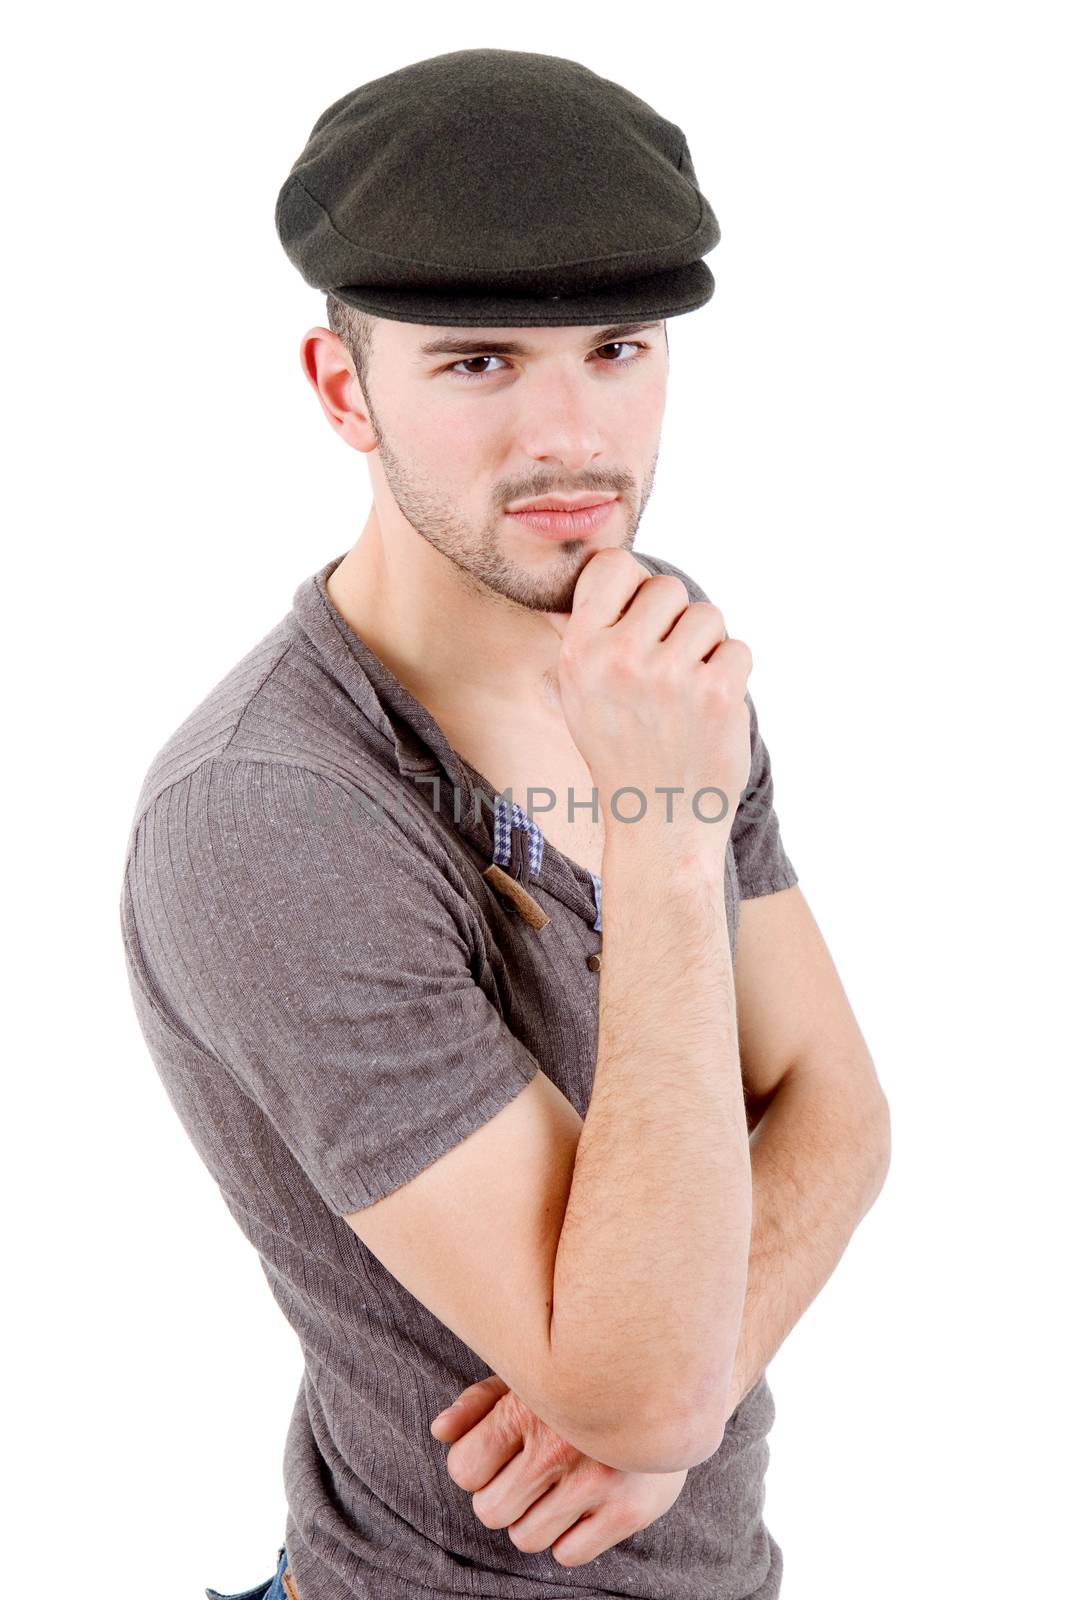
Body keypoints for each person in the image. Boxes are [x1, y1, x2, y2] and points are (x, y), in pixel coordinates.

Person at [119, 48, 891, 1600]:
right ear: (347, 389)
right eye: (479, 363)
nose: (572, 440)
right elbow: (650, 1376)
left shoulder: (652, 648)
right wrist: (668, 844)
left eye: (617, 348)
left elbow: (842, 1115)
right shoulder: (273, 813)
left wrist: (665, 1395)